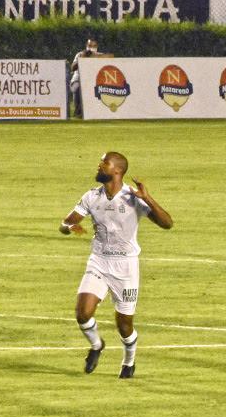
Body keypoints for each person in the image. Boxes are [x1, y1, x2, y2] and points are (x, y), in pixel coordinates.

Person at [59, 152, 173, 379]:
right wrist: (69, 227)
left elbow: (167, 224)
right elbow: (65, 223)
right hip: (99, 261)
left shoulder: (133, 198)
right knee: (82, 313)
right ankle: (96, 345)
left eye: (104, 163)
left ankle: (128, 362)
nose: (99, 165)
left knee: (124, 325)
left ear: (117, 170)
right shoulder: (92, 196)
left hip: (126, 267)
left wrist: (148, 199)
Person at [70, 39, 103, 117]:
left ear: (97, 47)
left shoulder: (100, 55)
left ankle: (99, 112)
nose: (92, 48)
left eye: (94, 46)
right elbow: (72, 68)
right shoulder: (80, 54)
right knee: (77, 88)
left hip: (94, 81)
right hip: (78, 80)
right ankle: (78, 112)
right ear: (86, 46)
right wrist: (82, 58)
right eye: (90, 46)